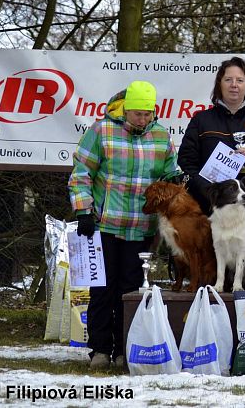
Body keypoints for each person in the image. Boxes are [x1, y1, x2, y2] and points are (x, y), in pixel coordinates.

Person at [68, 80, 181, 370]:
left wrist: (177, 178)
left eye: (147, 114)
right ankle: (100, 350)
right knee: (103, 290)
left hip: (141, 228)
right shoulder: (101, 130)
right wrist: (83, 210)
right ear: (125, 109)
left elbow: (170, 170)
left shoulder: (160, 135)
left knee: (131, 290)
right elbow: (81, 172)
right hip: (104, 225)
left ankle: (125, 349)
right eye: (137, 113)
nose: (142, 119)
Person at [178, 56, 245, 252]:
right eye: (228, 80)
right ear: (219, 84)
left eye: (240, 80)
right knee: (213, 272)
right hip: (212, 210)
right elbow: (186, 161)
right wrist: (208, 190)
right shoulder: (202, 119)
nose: (234, 85)